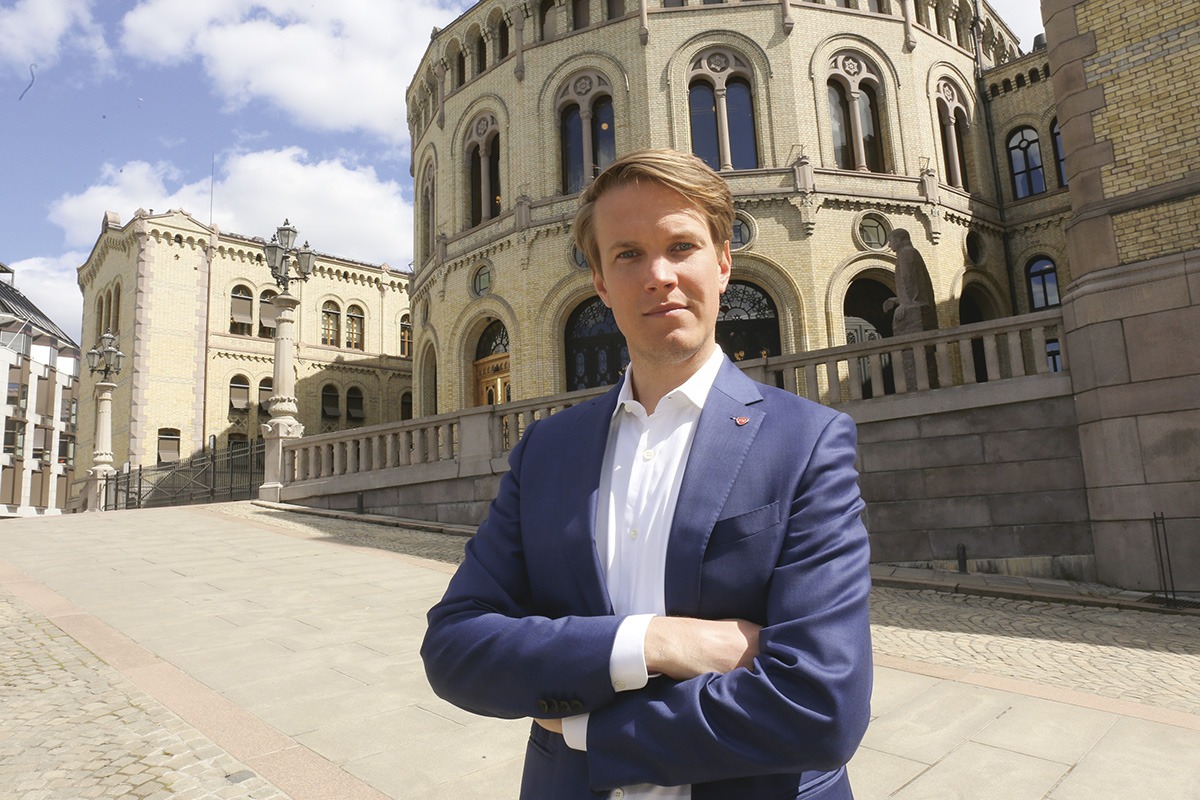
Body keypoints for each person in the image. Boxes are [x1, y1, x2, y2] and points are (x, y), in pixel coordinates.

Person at [421, 148, 872, 800]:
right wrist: (653, 642)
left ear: (723, 262)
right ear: (600, 284)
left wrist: (585, 732)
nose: (658, 275)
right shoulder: (546, 451)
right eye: (628, 254)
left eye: (681, 246)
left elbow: (823, 703)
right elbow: (456, 648)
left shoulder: (808, 442)